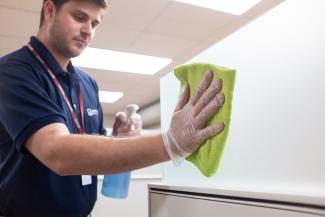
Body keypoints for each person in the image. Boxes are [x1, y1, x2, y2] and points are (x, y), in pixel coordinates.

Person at [0, 0, 225, 216]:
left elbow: (89, 156)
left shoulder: (87, 83)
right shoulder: (13, 71)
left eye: (95, 23)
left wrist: (119, 137)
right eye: (80, 17)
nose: (88, 31)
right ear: (49, 11)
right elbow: (56, 151)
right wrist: (171, 143)